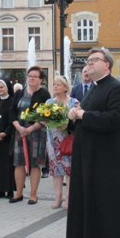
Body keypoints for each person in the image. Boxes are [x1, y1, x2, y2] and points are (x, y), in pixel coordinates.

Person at [66, 48, 120, 238]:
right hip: (87, 156)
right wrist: (74, 115)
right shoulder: (92, 89)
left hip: (106, 159)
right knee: (86, 201)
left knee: (103, 204)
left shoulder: (116, 88)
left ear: (107, 65)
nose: (88, 65)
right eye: (88, 61)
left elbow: (115, 119)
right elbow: (85, 114)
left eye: (93, 61)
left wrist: (84, 115)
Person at [9, 66, 51, 204]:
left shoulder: (44, 94)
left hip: (36, 133)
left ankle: (33, 194)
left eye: (35, 76)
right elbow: (12, 112)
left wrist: (31, 128)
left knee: (35, 164)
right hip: (20, 132)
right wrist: (19, 127)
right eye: (29, 76)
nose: (31, 78)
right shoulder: (19, 93)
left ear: (41, 80)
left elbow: (46, 115)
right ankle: (18, 193)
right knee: (18, 163)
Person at [46, 76, 77, 209]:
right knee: (56, 169)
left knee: (69, 169)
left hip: (67, 140)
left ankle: (69, 198)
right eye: (54, 84)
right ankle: (58, 196)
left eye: (58, 85)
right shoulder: (48, 102)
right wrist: (44, 121)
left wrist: (67, 123)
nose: (56, 87)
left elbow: (77, 120)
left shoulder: (73, 102)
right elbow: (43, 120)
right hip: (52, 141)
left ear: (65, 87)